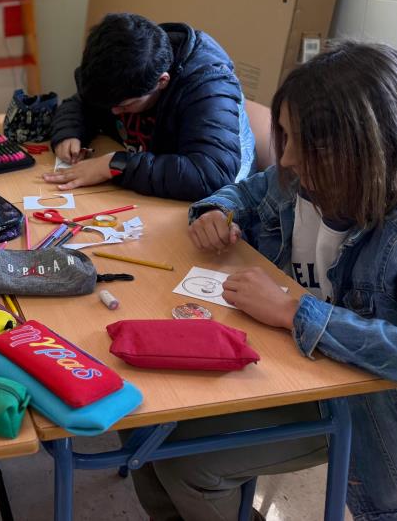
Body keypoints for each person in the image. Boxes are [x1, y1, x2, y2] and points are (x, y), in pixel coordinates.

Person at [131, 41, 397, 520]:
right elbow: (242, 191)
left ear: (365, 148)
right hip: (284, 363)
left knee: (187, 464)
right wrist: (216, 212)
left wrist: (293, 311)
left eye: (306, 144)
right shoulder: (298, 180)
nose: (287, 159)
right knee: (144, 433)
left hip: (356, 402)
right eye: (286, 136)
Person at [44, 12, 255, 202]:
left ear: (162, 81)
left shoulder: (209, 89)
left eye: (124, 106)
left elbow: (210, 175)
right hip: (151, 177)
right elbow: (81, 102)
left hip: (216, 203)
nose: (113, 112)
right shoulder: (121, 66)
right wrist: (68, 132)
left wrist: (115, 165)